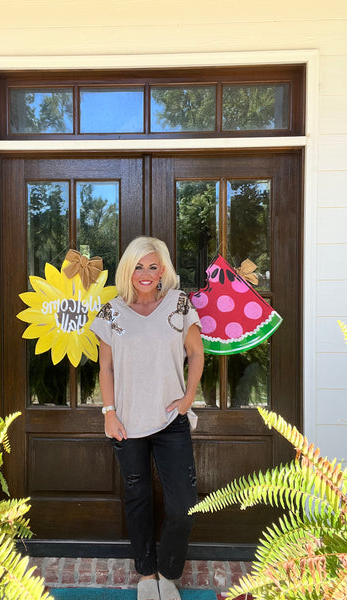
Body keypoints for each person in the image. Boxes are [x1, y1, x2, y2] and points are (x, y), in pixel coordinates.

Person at [90, 236, 204, 600]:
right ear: (128, 269)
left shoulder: (179, 305)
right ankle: (145, 574)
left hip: (171, 421)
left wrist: (188, 397)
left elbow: (197, 353)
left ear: (164, 270)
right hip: (126, 421)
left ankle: (168, 574)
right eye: (139, 266)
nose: (146, 273)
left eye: (153, 266)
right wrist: (109, 413)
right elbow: (105, 368)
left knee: (183, 504)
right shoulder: (111, 311)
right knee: (137, 499)